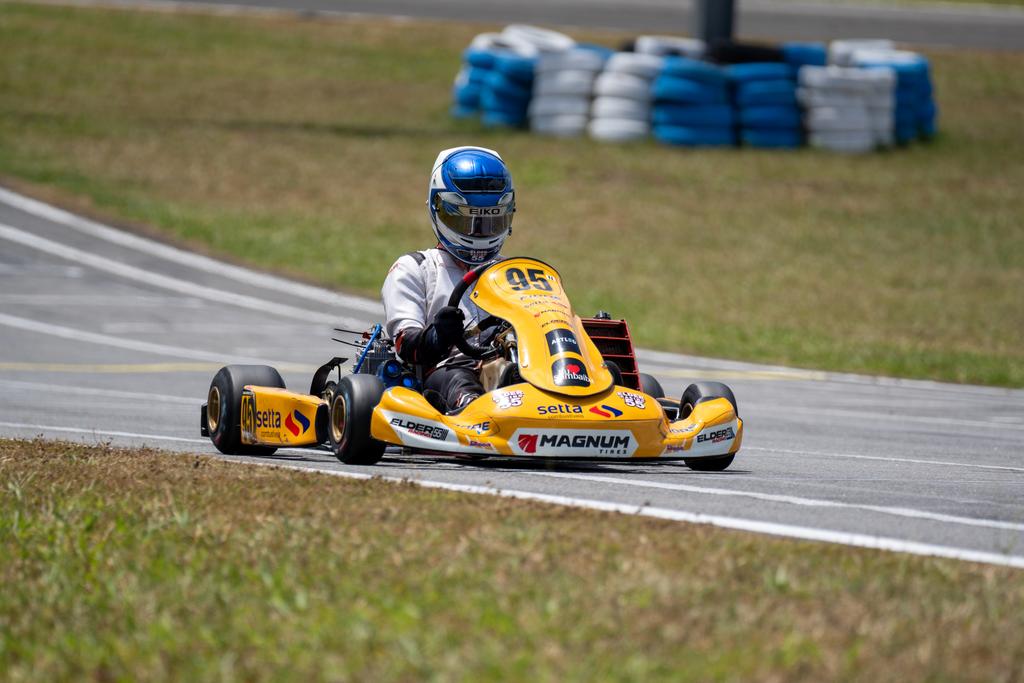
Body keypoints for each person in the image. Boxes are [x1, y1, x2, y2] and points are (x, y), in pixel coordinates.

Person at [381, 146, 515, 414]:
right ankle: (478, 418)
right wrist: (438, 335)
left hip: (512, 368)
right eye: (468, 223)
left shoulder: (513, 273)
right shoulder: (416, 268)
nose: (480, 234)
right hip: (446, 370)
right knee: (459, 381)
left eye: (492, 223)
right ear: (439, 210)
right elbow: (406, 346)